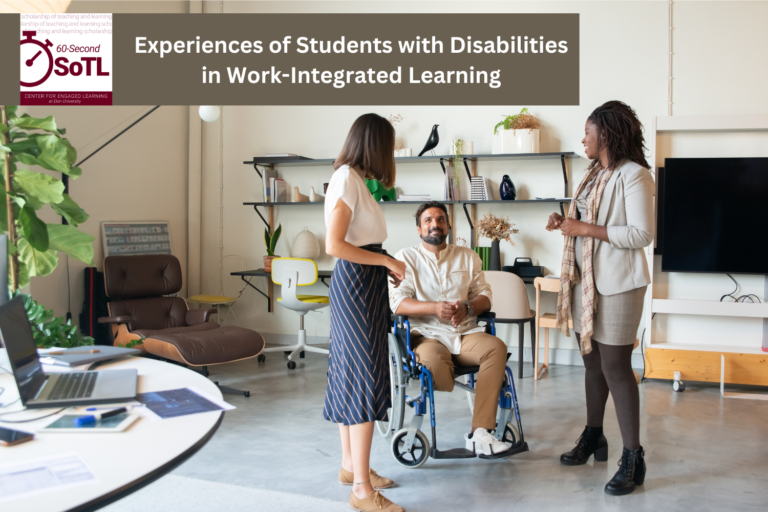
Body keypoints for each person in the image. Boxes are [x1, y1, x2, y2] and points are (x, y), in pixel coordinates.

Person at [547, 100, 654, 496]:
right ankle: (595, 436)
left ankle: (634, 458)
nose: (583, 140)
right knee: (591, 364)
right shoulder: (592, 175)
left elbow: (641, 234)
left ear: (605, 134)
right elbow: (584, 224)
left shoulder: (634, 175)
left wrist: (585, 228)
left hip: (620, 284)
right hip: (585, 283)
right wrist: (565, 223)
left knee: (616, 368)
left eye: (588, 134)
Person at [323, 113, 407, 512]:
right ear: (376, 145)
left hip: (365, 284)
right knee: (363, 377)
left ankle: (350, 466)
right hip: (356, 286)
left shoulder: (357, 182)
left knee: (354, 372)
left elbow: (363, 242)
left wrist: (384, 261)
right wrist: (386, 263)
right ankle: (361, 490)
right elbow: (335, 246)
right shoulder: (345, 179)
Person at [388, 201, 513, 457]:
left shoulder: (468, 256)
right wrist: (433, 308)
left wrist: (467, 307)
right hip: (427, 335)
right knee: (437, 367)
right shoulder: (405, 258)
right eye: (428, 220)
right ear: (419, 228)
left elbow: (485, 297)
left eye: (440, 219)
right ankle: (446, 374)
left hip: (464, 332)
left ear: (448, 225)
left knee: (496, 348)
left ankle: (480, 432)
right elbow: (397, 302)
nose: (435, 224)